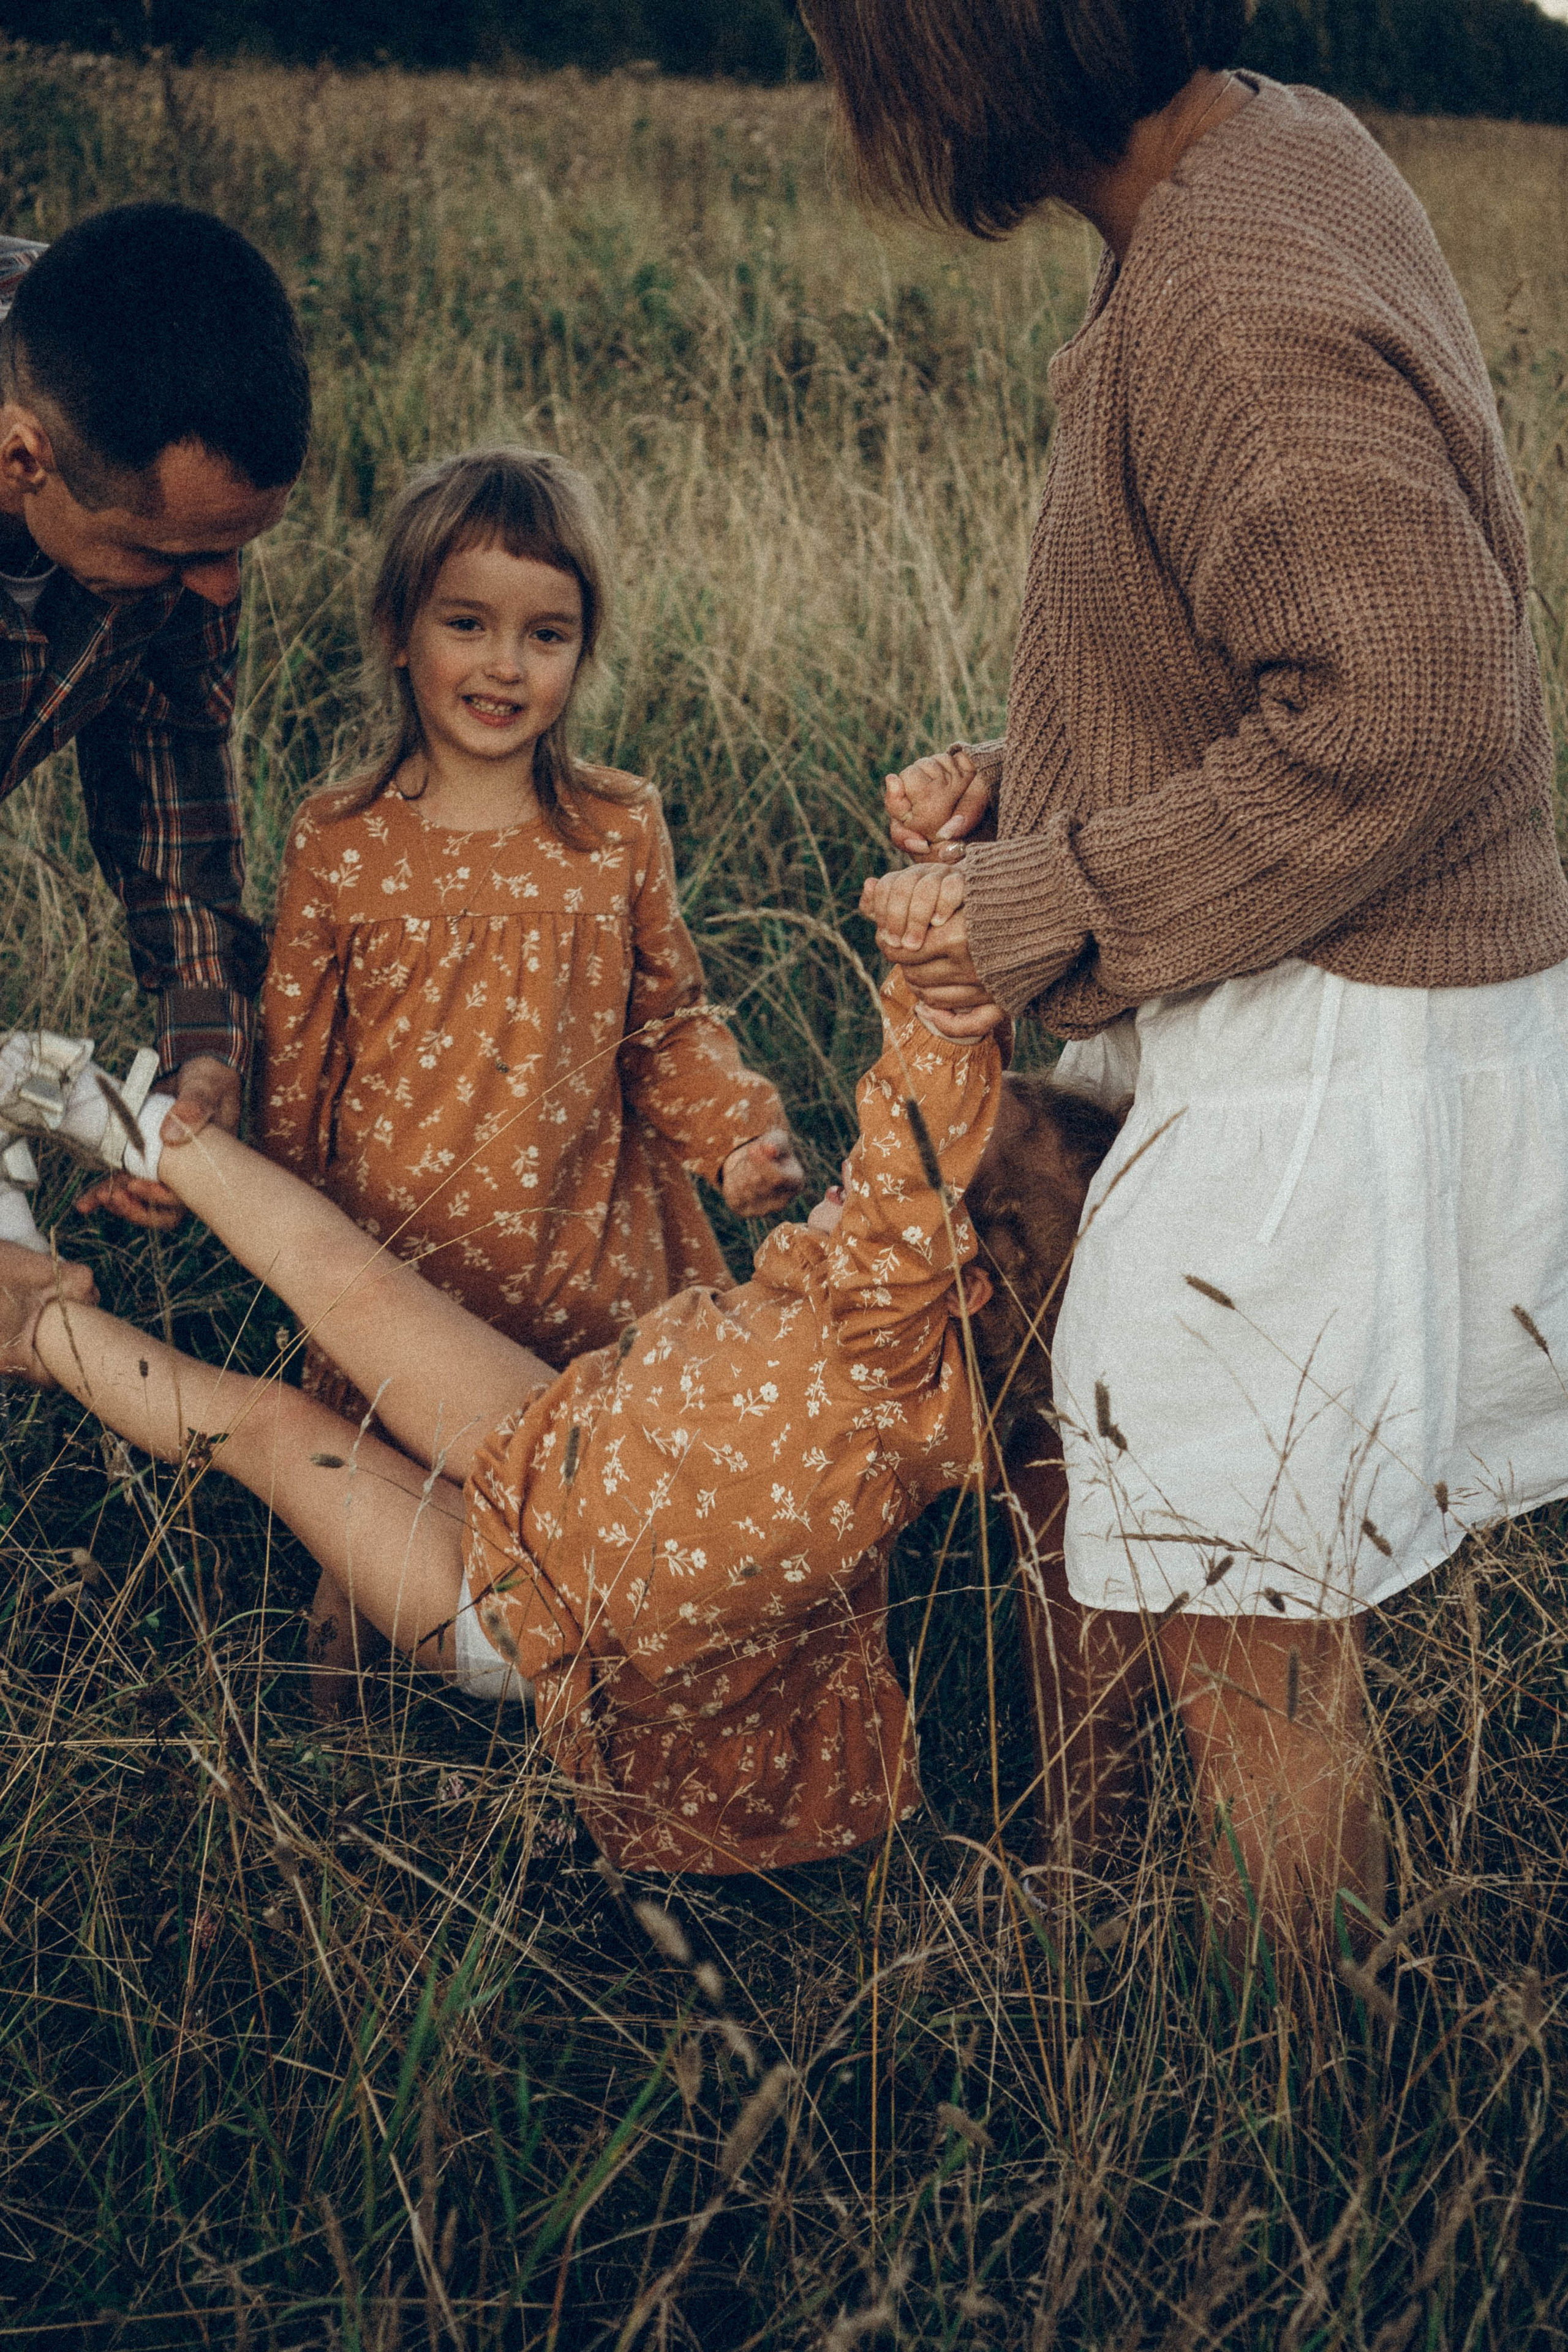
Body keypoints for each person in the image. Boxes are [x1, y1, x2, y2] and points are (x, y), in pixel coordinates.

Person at [817, 0, 1568, 1946]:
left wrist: (1042, 896)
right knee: (1231, 1600)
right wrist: (1037, 798)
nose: (862, 106)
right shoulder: (1262, 162)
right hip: (1330, 1004)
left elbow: (1414, 700)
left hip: (1336, 1043)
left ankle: (1294, 2127)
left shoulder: (1227, 271)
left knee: (1252, 1650)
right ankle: (1237, 2020)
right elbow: (1276, 635)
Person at [0, 981, 1115, 1873]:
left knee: (272, 1426)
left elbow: (921, 1115)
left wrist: (948, 986)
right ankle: (93, 1103)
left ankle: (33, 1320)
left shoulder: (895, 1358)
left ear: (957, 1276)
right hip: (553, 1432)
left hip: (518, 1598)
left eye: (892, 1191)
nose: (859, 1176)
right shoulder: (872, 1315)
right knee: (353, 1282)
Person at [258, 447, 801, 1411]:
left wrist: (737, 1135)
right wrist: (289, 1250)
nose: (504, 666)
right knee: (390, 1538)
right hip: (396, 1288)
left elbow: (666, 1026)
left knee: (608, 1527)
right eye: (467, 624)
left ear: (582, 649)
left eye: (545, 635)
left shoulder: (615, 827)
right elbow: (300, 1070)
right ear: (398, 630)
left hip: (596, 1277)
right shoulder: (341, 839)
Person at [0, 200, 310, 1298]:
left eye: (239, 548)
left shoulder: (117, 381)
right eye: (177, 553)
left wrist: (202, 1044)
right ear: (22, 461)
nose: (221, 589)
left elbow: (170, 777)